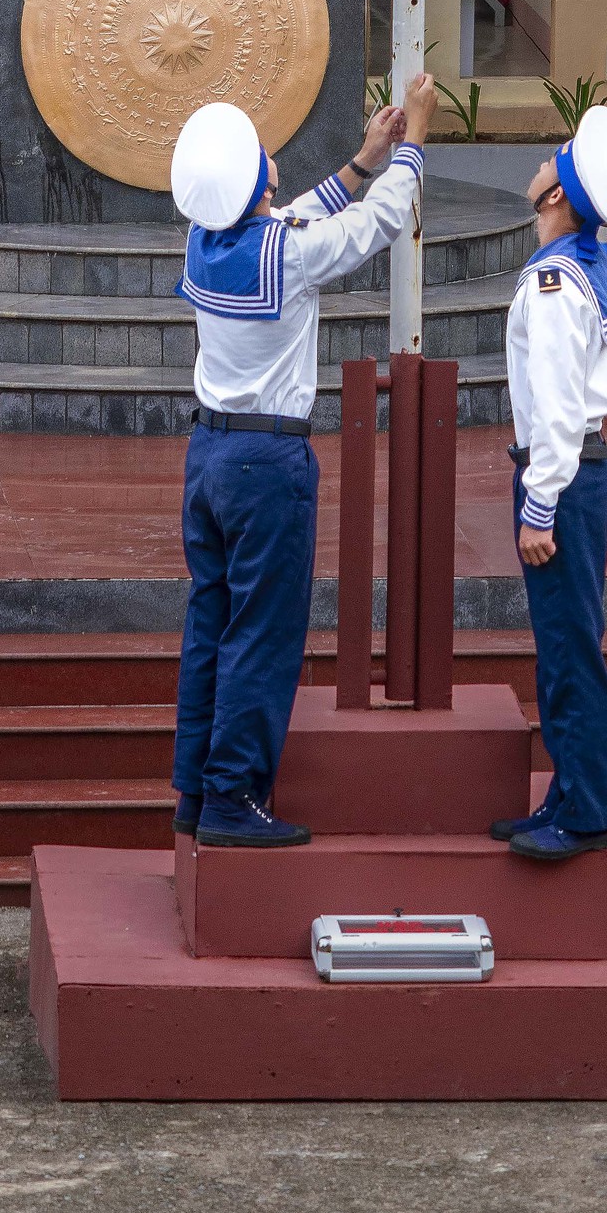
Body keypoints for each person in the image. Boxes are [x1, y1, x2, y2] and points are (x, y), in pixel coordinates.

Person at [170, 73, 438, 845]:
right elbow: (376, 226)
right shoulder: (286, 257)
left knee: (212, 625)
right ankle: (231, 799)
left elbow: (295, 220)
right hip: (268, 463)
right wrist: (413, 141)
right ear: (256, 178)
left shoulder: (206, 237)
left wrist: (360, 161)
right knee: (263, 633)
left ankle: (194, 790)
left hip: (210, 453)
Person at [492, 98, 607, 865]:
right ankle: (567, 792)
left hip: (564, 476)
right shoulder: (583, 264)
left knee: (569, 650)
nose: (545, 159)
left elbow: (553, 412)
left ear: (556, 197)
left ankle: (586, 811)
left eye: (554, 158)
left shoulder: (553, 288)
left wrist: (537, 507)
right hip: (584, 472)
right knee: (564, 646)